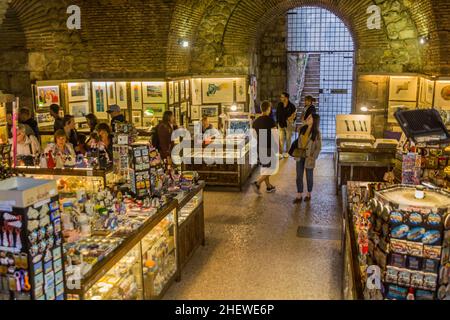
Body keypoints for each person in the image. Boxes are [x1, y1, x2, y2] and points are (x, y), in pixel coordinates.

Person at [293, 114, 322, 204]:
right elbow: (296, 129)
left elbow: (318, 147)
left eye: (310, 118)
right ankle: (299, 194)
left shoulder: (316, 133)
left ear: (314, 120)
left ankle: (309, 193)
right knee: (299, 176)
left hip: (309, 157)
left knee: (309, 177)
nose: (308, 118)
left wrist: (313, 157)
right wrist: (304, 123)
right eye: (308, 117)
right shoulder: (303, 128)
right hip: (300, 155)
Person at [252, 101, 278, 194]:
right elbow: (275, 135)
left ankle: (268, 187)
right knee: (272, 168)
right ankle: (257, 183)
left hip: (260, 146)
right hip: (269, 147)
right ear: (268, 109)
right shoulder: (270, 121)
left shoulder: (255, 122)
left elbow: (254, 136)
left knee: (265, 167)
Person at [276, 92, 297, 159]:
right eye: (281, 97)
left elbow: (294, 116)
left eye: (282, 97)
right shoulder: (279, 105)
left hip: (288, 124)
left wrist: (291, 119)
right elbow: (277, 114)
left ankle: (287, 152)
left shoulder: (292, 106)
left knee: (288, 138)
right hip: (280, 124)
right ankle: (281, 152)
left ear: (286, 98)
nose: (281, 98)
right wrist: (277, 122)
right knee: (281, 139)